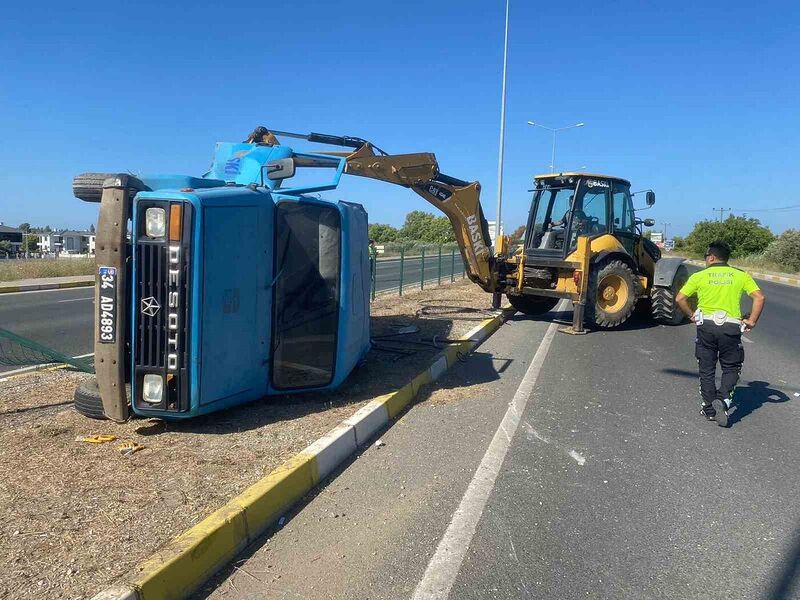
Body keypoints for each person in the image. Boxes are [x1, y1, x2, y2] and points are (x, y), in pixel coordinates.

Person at [675, 240, 766, 427]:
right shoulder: (740, 275)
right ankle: (724, 399)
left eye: (706, 257)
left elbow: (680, 298)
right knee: (731, 366)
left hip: (706, 327)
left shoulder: (699, 276)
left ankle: (708, 409)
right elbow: (759, 297)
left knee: (706, 369)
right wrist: (751, 321)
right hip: (730, 328)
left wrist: (691, 315)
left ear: (712, 257)